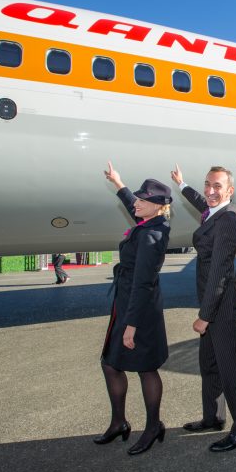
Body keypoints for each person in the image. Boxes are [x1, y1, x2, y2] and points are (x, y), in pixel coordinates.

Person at [170, 164, 236, 453]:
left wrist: (204, 317)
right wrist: (182, 184)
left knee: (231, 369)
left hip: (221, 305)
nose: (210, 190)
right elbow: (202, 201)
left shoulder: (228, 221)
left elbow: (220, 271)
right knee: (209, 363)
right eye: (207, 184)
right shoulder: (214, 211)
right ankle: (213, 417)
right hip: (211, 301)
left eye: (217, 186)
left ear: (230, 191)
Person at [96, 162, 172, 455]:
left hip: (138, 309)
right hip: (127, 302)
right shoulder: (149, 222)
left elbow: (143, 283)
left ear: (157, 206)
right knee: (110, 363)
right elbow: (134, 205)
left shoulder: (152, 235)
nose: (136, 203)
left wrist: (131, 325)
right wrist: (118, 183)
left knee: (145, 367)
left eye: (142, 200)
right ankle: (119, 422)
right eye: (137, 198)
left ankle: (153, 426)